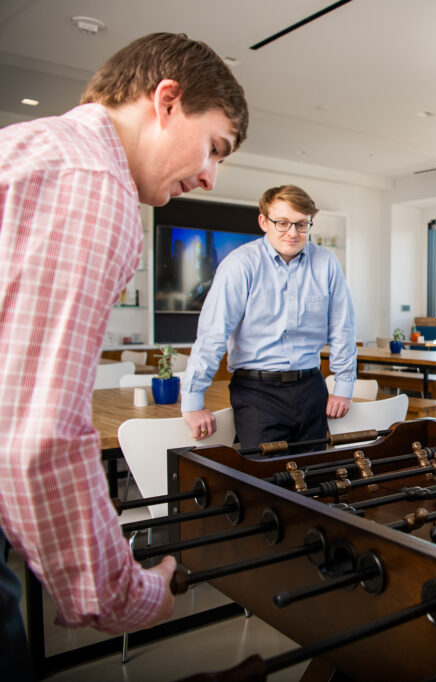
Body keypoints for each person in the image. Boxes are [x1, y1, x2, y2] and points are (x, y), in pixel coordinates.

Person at [0, 32, 248, 678]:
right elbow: (38, 439)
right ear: (166, 101)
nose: (209, 176)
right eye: (214, 147)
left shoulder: (30, 147)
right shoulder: (96, 187)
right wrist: (127, 593)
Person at [180, 185, 357, 452]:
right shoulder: (240, 264)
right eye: (283, 223)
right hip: (257, 392)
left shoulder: (326, 263)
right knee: (268, 482)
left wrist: (343, 386)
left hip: (311, 387)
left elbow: (342, 328)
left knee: (315, 477)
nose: (292, 232)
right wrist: (193, 401)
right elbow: (213, 334)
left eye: (301, 224)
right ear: (264, 221)